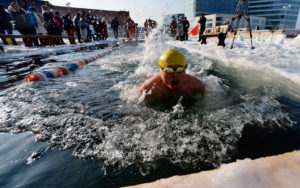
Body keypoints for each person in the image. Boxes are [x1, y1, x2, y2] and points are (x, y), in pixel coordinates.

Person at [138, 49, 205, 101]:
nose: (175, 74)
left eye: (179, 69)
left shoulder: (197, 86)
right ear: (161, 71)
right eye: (169, 70)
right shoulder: (148, 89)